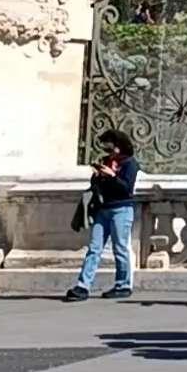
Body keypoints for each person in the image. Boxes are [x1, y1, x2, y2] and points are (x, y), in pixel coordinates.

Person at [65, 129, 139, 302]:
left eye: (109, 145)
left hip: (121, 209)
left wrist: (112, 176)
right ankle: (83, 286)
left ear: (119, 145)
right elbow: (96, 185)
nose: (107, 149)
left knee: (120, 248)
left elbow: (126, 189)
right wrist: (98, 176)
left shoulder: (130, 164)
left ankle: (123, 285)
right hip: (103, 209)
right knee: (94, 248)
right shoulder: (106, 161)